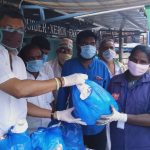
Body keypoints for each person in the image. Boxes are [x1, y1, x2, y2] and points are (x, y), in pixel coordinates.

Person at [0, 5, 87, 137]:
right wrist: (63, 81)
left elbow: (23, 104)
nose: (15, 34)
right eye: (9, 28)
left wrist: (55, 114)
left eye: (20, 30)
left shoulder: (18, 62)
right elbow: (18, 90)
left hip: (18, 136)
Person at [57, 30, 110, 150]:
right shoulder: (69, 65)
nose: (89, 46)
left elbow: (107, 94)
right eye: (85, 43)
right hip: (74, 121)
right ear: (78, 46)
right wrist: (59, 116)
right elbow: (63, 93)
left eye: (92, 43)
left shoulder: (102, 66)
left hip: (97, 124)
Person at [97, 45, 150, 150]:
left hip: (140, 143)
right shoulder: (114, 81)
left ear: (148, 64)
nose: (137, 64)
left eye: (143, 62)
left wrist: (122, 117)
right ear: (129, 59)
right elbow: (105, 106)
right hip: (116, 141)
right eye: (134, 60)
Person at [19, 44, 55, 133]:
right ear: (24, 60)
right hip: (29, 129)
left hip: (48, 125)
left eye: (38, 57)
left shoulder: (45, 77)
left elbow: (50, 101)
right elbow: (23, 106)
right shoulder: (20, 80)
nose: (36, 61)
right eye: (31, 58)